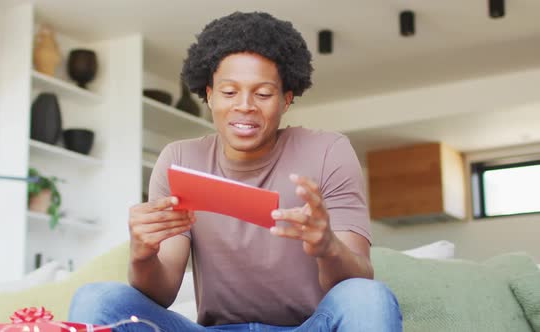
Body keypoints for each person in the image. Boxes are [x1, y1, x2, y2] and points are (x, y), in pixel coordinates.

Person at [69, 11, 402, 332]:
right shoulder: (180, 159)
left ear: (286, 100)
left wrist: (329, 247)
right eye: (229, 92)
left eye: (263, 93)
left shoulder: (329, 152)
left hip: (308, 327)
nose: (245, 105)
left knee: (368, 296)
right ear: (210, 96)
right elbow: (163, 290)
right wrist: (142, 255)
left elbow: (359, 280)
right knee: (95, 298)